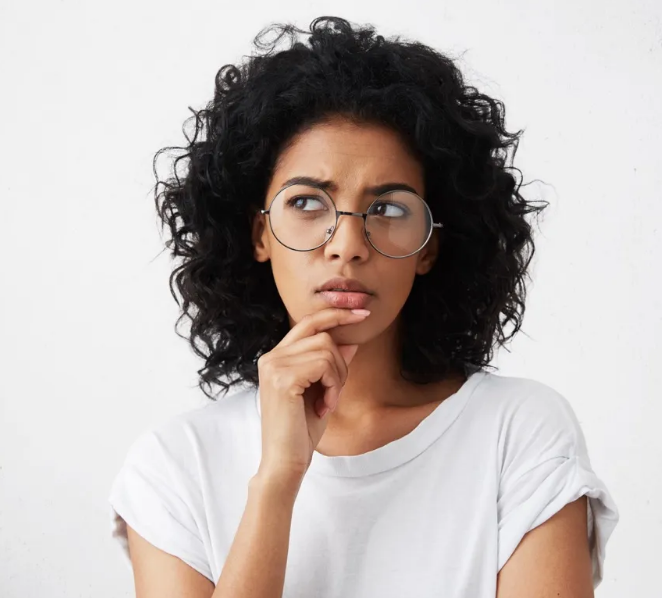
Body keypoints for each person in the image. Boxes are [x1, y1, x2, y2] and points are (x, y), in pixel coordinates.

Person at [108, 15, 619, 598]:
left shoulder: (518, 432)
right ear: (259, 235)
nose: (347, 244)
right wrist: (278, 479)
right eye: (307, 202)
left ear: (429, 249)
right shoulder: (176, 464)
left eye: (391, 209)